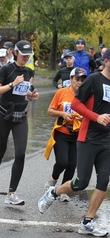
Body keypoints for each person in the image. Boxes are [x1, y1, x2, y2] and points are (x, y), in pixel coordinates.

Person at [38, 49, 110, 237]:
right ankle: (53, 193)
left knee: (103, 180)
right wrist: (96, 117)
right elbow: (77, 104)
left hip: (107, 140)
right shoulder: (94, 79)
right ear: (107, 61)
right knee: (81, 182)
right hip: (88, 137)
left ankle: (87, 222)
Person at [0, 40, 39, 205]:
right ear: (15, 52)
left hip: (20, 116)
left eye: (28, 55)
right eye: (23, 54)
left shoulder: (29, 72)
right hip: (4, 115)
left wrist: (31, 95)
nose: (26, 57)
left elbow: (24, 92)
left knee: (21, 154)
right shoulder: (6, 69)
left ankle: (11, 193)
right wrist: (11, 84)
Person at [43, 67, 86, 202]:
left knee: (72, 164)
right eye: (77, 79)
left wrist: (82, 118)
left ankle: (63, 189)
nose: (79, 83)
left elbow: (90, 114)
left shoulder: (86, 96)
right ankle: (52, 180)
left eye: (82, 80)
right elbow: (50, 111)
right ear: (71, 79)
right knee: (62, 162)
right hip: (62, 132)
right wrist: (62, 114)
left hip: (77, 134)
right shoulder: (61, 93)